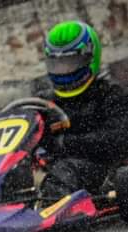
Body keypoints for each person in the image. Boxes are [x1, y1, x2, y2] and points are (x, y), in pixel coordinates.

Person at [36, 20, 128, 199]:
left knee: (66, 170)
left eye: (69, 63)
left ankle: (48, 204)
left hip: (103, 169)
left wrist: (64, 143)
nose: (63, 71)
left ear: (90, 59)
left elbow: (117, 141)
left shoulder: (110, 95)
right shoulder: (43, 102)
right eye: (57, 64)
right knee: (13, 174)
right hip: (52, 167)